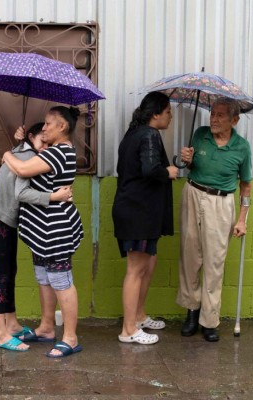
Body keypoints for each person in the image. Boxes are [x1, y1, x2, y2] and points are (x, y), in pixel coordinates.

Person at [0, 123, 72, 352]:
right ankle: (1, 334)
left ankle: (11, 324)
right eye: (42, 141)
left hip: (3, 219)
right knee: (1, 274)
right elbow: (21, 193)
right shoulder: (28, 155)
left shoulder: (24, 151)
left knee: (10, 271)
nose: (45, 147)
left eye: (48, 143)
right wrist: (54, 196)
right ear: (31, 137)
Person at [2, 106, 84, 358]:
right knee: (44, 279)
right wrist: (22, 144)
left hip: (55, 230)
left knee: (61, 281)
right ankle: (47, 327)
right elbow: (30, 163)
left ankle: (70, 338)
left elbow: (23, 170)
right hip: (41, 231)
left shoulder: (61, 152)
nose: (44, 127)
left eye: (48, 124)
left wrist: (7, 153)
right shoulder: (52, 151)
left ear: (62, 127)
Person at [177, 97, 252, 342]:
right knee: (190, 257)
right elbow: (185, 167)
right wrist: (185, 160)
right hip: (193, 194)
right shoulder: (200, 135)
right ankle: (191, 311)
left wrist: (242, 219)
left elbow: (246, 186)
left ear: (234, 120)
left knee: (214, 261)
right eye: (213, 114)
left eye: (220, 115)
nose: (214, 119)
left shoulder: (242, 147)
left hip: (222, 203)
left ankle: (209, 320)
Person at [112, 91, 178, 345]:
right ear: (155, 114)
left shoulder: (135, 133)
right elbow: (151, 169)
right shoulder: (149, 134)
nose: (170, 117)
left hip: (140, 210)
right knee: (136, 269)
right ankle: (128, 330)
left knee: (148, 263)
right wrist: (169, 171)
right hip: (137, 212)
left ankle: (138, 316)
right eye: (169, 111)